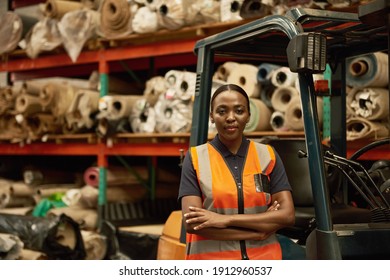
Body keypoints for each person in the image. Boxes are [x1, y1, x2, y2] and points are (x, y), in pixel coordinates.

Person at [178, 83, 295, 260]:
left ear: (248, 115)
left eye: (239, 111)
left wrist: (225, 219)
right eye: (222, 111)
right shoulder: (195, 158)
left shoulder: (267, 155)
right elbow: (192, 224)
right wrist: (257, 231)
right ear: (211, 116)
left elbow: (287, 215)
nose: (231, 117)